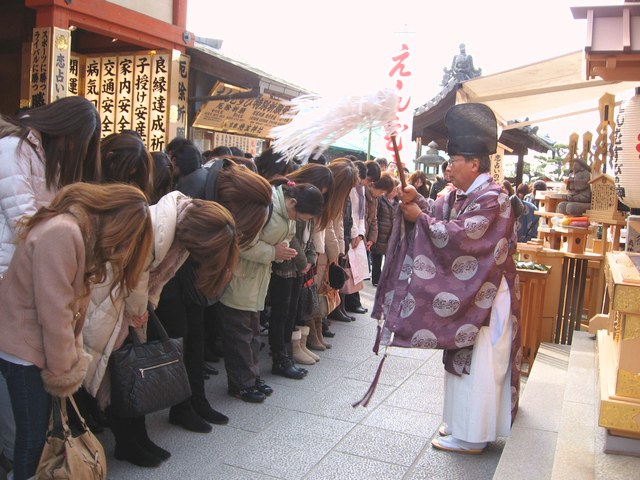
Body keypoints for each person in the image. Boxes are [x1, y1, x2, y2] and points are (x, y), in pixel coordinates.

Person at [373, 103, 521, 454]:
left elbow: (463, 237)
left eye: (454, 161)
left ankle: (473, 435)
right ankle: (462, 425)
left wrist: (418, 217)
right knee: (465, 361)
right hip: (475, 291)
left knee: (482, 363)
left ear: (474, 163)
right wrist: (417, 203)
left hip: (487, 296)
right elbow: (437, 216)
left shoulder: (494, 198)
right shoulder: (459, 195)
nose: (448, 167)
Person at [0, 183, 153, 480]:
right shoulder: (64, 233)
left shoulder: (73, 230)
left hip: (31, 344)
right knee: (32, 441)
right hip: (24, 348)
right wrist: (64, 372)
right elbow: (55, 311)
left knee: (34, 437)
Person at [0, 96, 102, 473]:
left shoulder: (44, 155)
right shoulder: (13, 149)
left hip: (26, 276)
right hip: (9, 276)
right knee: (21, 399)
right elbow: (24, 221)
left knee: (24, 402)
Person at [215, 181, 323, 402]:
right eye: (300, 216)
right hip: (241, 278)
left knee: (252, 332)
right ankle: (240, 385)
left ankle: (251, 378)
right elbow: (241, 242)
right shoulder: (266, 207)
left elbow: (282, 238)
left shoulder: (283, 212)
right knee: (240, 336)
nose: (299, 220)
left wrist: (278, 251)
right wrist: (273, 251)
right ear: (292, 202)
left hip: (257, 278)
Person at [369, 173, 397, 286]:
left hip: (390, 233)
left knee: (389, 259)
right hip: (379, 232)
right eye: (393, 190)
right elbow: (375, 216)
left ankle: (386, 279)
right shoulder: (380, 199)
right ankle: (376, 280)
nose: (394, 192)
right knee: (377, 259)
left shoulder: (397, 203)